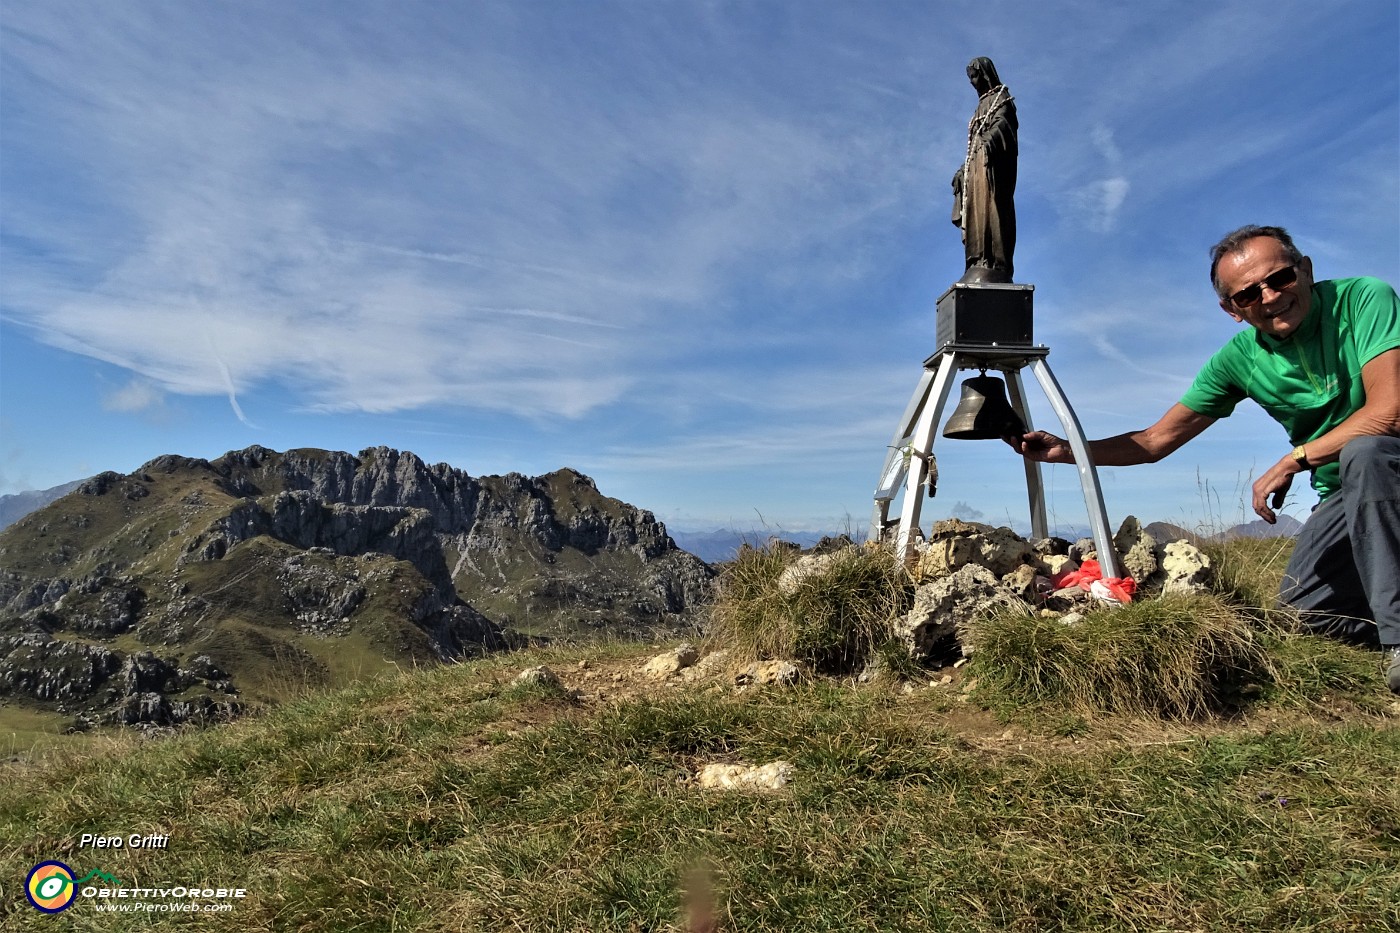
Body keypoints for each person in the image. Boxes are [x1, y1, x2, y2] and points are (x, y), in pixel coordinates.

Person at [1008, 225, 1400, 692]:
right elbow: (1156, 441)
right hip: (1343, 494)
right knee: (1304, 612)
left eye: (1280, 278)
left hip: (1387, 464)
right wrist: (1067, 451)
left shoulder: (1363, 301)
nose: (1271, 297)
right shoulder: (1238, 360)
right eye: (1248, 294)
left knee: (1366, 451)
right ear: (1231, 310)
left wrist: (1295, 459)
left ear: (1306, 269)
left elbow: (1389, 412)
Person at [951, 57, 1017, 284]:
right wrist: (964, 170)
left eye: (975, 76)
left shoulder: (1002, 99)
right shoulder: (979, 107)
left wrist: (988, 142)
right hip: (977, 169)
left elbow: (1004, 127)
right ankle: (977, 260)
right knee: (976, 215)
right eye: (970, 78)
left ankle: (995, 263)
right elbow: (972, 146)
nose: (973, 82)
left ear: (986, 75)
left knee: (992, 212)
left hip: (992, 171)